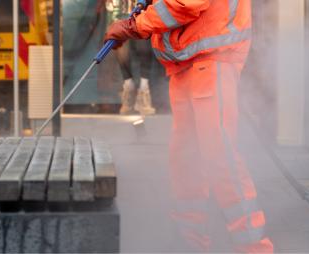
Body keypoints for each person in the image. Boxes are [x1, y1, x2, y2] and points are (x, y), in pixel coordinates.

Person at [104, 0, 274, 253]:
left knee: (219, 157)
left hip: (210, 62)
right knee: (186, 160)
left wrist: (133, 26)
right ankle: (190, 243)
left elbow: (186, 3)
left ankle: (254, 247)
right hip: (188, 64)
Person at [106, 0, 156, 115]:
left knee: (144, 47)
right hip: (119, 10)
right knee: (121, 48)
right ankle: (128, 87)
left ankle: (143, 90)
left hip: (143, 11)